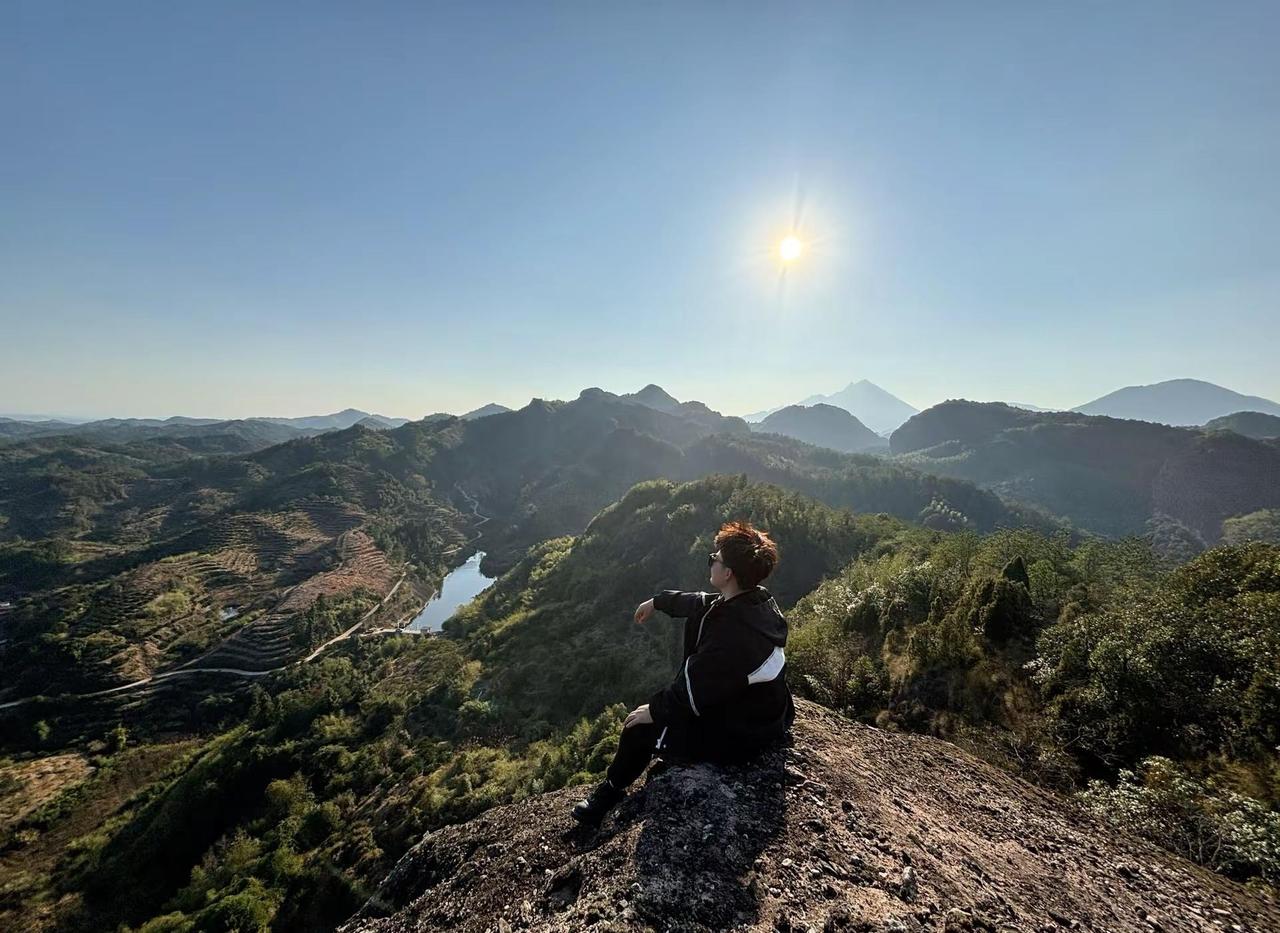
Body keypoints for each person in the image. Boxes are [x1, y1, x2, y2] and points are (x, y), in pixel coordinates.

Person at [571, 520, 795, 826]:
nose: (711, 560)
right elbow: (703, 603)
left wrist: (654, 711)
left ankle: (610, 790)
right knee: (655, 715)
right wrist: (660, 602)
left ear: (728, 573)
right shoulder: (754, 601)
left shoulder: (731, 635)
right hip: (765, 713)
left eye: (714, 558)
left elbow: (693, 691)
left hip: (739, 732)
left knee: (638, 726)